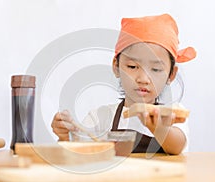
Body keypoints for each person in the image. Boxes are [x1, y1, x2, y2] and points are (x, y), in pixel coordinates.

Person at [51, 14, 196, 155]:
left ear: (171, 74)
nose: (143, 79)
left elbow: (177, 146)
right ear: (116, 67)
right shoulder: (102, 117)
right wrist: (65, 136)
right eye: (133, 67)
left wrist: (158, 127)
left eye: (156, 69)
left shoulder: (172, 113)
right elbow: (78, 152)